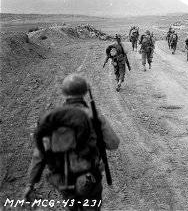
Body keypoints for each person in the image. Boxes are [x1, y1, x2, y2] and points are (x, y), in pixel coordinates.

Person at [22, 74, 120, 210]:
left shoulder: (52, 118)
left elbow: (39, 154)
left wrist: (30, 184)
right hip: (89, 179)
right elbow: (113, 143)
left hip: (62, 180)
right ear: (85, 92)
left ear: (63, 93)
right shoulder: (93, 115)